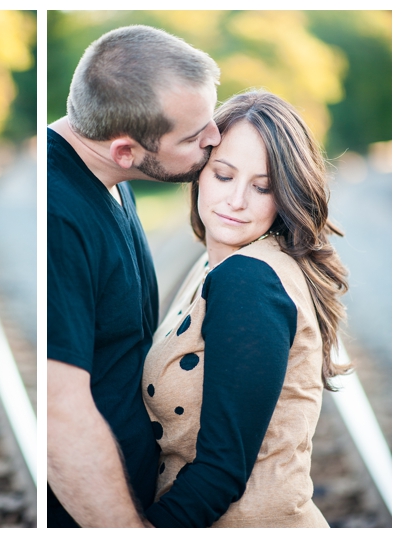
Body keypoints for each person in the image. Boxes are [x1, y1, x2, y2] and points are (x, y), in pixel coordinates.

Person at [143, 91, 349, 527]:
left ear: (287, 196)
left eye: (262, 187)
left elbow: (221, 472)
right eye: (222, 175)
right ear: (199, 174)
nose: (237, 200)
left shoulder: (248, 282)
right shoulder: (214, 263)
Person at [47, 25, 221, 527]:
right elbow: (62, 416)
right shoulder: (61, 216)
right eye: (193, 135)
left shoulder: (109, 175)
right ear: (125, 150)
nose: (214, 137)